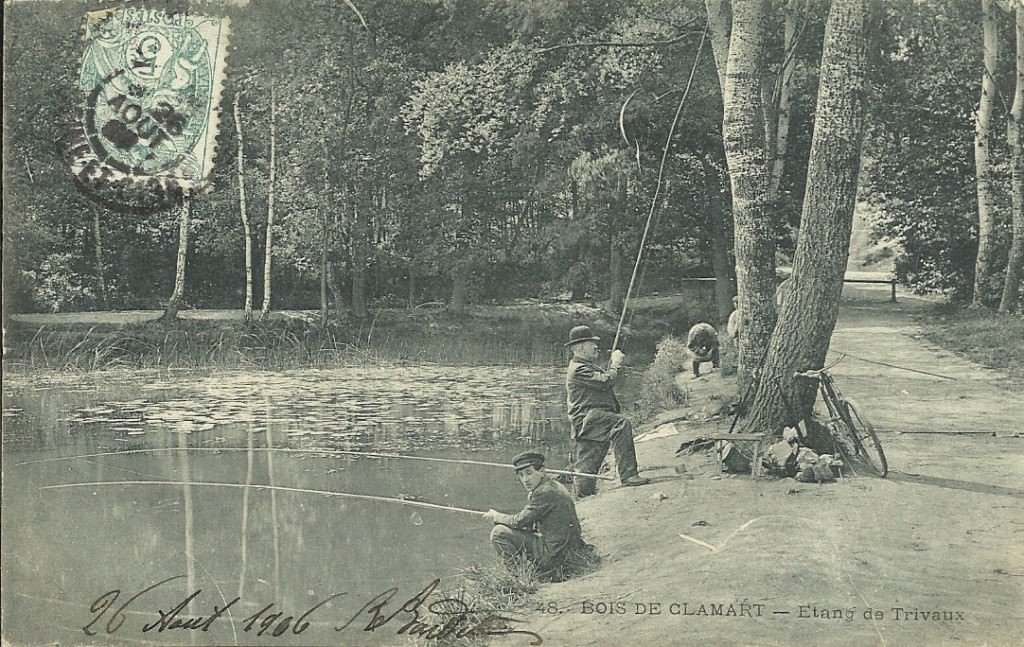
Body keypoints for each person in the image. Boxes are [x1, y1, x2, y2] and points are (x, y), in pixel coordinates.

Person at [564, 325, 649, 497]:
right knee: (621, 423)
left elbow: (603, 380)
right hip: (588, 420)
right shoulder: (579, 368)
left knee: (587, 466)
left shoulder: (585, 365)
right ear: (579, 347)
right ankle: (629, 475)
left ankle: (582, 498)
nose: (596, 346)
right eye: (592, 343)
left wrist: (611, 367)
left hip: (591, 421)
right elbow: (604, 382)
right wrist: (616, 364)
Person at [483, 451, 584, 575]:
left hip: (556, 556)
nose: (525, 480)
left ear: (541, 471)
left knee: (499, 533)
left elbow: (518, 521)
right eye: (521, 475)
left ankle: (518, 576)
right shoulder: (552, 485)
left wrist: (496, 516)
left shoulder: (544, 492)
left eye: (529, 473)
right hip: (568, 549)